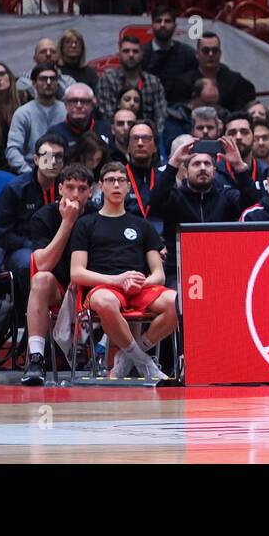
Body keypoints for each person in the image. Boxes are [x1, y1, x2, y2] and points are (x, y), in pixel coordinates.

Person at [70, 162, 179, 383]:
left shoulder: (142, 225)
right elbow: (77, 272)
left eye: (121, 181)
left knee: (179, 302)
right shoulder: (86, 224)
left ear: (128, 187)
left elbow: (159, 273)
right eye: (110, 180)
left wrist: (143, 283)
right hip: (105, 286)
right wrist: (117, 280)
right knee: (105, 300)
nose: (116, 185)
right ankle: (144, 362)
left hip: (138, 288)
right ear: (101, 186)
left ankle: (129, 356)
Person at [19, 163, 95, 385]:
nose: (75, 194)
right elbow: (42, 264)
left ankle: (110, 356)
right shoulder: (44, 216)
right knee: (41, 279)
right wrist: (68, 222)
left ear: (91, 191)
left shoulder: (98, 215)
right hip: (60, 291)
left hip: (92, 286)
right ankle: (36, 358)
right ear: (60, 188)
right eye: (70, 187)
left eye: (82, 189)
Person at [148, 137, 258, 276]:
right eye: (196, 164)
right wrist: (174, 163)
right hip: (179, 271)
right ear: (185, 172)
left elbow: (254, 205)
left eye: (207, 164)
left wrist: (239, 167)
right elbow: (154, 203)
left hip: (222, 268)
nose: (202, 168)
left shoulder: (226, 196)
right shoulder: (174, 197)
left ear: (214, 170)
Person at [0, 134, 69, 308]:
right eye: (47, 157)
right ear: (35, 159)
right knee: (29, 264)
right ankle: (31, 318)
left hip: (59, 247)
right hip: (23, 248)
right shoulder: (15, 189)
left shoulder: (68, 189)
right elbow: (1, 236)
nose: (53, 162)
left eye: (58, 157)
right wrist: (32, 245)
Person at [96, 33, 169, 134]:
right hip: (117, 135)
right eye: (126, 51)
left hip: (148, 134)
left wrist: (152, 135)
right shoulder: (108, 80)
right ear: (119, 54)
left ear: (141, 54)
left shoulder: (153, 82)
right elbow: (107, 116)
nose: (131, 55)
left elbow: (161, 116)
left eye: (135, 51)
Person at [170, 32, 257, 111]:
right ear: (197, 54)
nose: (211, 54)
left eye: (215, 51)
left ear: (220, 54)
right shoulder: (184, 83)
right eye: (206, 51)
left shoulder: (235, 81)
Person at [7, 65, 67, 173]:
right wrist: (30, 174)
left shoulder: (67, 111)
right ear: (34, 83)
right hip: (31, 170)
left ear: (57, 83)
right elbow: (12, 150)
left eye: (52, 79)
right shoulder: (23, 113)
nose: (48, 82)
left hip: (63, 172)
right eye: (43, 79)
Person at [141, 4, 200, 88]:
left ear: (175, 26)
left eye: (167, 21)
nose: (162, 25)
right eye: (158, 21)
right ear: (152, 25)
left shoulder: (188, 54)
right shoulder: (141, 54)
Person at [47, 83, 113, 150]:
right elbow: (46, 159)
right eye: (73, 101)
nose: (79, 106)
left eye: (84, 101)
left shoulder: (106, 129)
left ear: (92, 105)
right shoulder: (54, 133)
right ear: (66, 105)